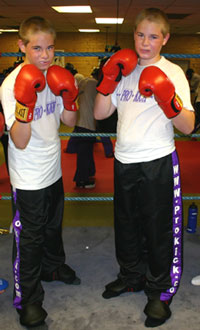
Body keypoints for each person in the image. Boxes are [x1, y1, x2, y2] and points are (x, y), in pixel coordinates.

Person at [94, 8, 194, 328]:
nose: (145, 43)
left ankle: (159, 291)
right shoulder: (124, 68)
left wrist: (168, 98)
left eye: (153, 36)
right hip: (124, 159)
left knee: (158, 229)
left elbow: (189, 126)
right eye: (140, 35)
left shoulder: (173, 72)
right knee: (126, 226)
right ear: (133, 35)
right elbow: (99, 113)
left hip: (157, 160)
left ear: (165, 38)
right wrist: (109, 77)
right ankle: (131, 276)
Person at [1, 16, 80, 327]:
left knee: (51, 228)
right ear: (21, 46)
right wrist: (25, 102)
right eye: (37, 48)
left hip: (53, 169)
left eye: (50, 48)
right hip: (28, 175)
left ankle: (53, 267)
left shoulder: (56, 76)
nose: (45, 55)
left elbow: (70, 123)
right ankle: (27, 299)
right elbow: (19, 141)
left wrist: (70, 95)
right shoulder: (12, 85)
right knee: (29, 239)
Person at [73, 71, 97, 188]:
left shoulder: (85, 82)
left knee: (86, 151)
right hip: (87, 124)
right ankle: (81, 180)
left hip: (80, 122)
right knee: (84, 153)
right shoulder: (95, 84)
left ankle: (90, 172)